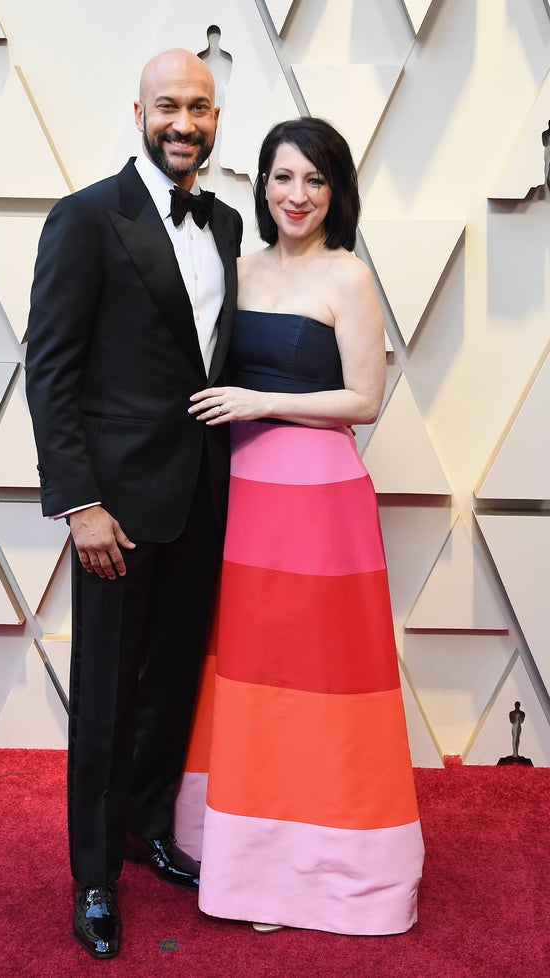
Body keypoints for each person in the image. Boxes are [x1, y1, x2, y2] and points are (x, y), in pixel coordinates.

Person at [25, 48, 242, 959]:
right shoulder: (85, 217)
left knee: (170, 684)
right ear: (140, 112)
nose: (183, 123)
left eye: (199, 107)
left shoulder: (228, 223)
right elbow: (51, 367)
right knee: (107, 694)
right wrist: (79, 502)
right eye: (168, 107)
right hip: (113, 509)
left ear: (216, 116)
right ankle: (92, 877)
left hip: (201, 497)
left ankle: (150, 829)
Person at [185, 117, 424, 935]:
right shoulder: (236, 267)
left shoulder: (349, 277)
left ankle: (320, 873)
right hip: (239, 496)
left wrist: (262, 402)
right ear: (260, 185)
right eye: (284, 178)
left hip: (318, 506)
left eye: (315, 181)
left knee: (317, 688)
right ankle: (243, 860)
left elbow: (364, 400)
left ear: (336, 193)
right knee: (247, 681)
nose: (298, 195)